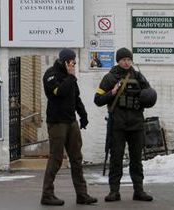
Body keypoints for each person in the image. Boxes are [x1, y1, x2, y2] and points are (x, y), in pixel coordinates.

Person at [94, 47, 154, 202]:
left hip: (136, 124)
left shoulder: (138, 76)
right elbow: (98, 100)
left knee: (136, 159)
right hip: (118, 125)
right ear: (118, 61)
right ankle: (114, 191)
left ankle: (139, 190)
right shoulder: (109, 78)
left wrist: (148, 97)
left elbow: (149, 95)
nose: (127, 62)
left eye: (129, 59)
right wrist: (112, 93)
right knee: (116, 159)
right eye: (123, 60)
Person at [41, 49, 97, 206]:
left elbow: (75, 97)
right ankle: (47, 194)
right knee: (56, 158)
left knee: (77, 158)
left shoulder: (70, 78)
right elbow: (58, 93)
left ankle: (82, 194)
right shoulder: (51, 74)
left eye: (74, 61)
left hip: (71, 122)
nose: (73, 64)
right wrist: (71, 76)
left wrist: (83, 116)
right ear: (63, 61)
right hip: (57, 122)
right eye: (70, 61)